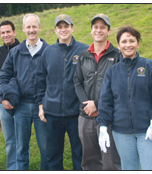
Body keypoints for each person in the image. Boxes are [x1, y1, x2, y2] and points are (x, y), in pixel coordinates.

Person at [97, 26, 152, 170]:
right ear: (118, 45)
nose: (128, 45)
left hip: (149, 130)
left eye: (132, 41)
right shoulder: (112, 72)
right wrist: (103, 127)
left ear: (138, 43)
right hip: (122, 133)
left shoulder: (150, 66)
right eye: (124, 41)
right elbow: (106, 102)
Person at [35, 14, 89, 170]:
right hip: (52, 114)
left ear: (72, 28)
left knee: (80, 155)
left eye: (66, 26)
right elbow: (40, 81)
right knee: (52, 155)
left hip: (77, 114)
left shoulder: (84, 50)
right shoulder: (48, 52)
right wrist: (40, 106)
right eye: (60, 27)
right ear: (55, 30)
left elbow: (90, 80)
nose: (63, 30)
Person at [0, 14, 49, 170]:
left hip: (43, 108)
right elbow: (4, 76)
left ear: (39, 28)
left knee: (46, 149)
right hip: (21, 107)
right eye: (28, 27)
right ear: (23, 29)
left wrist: (46, 103)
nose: (31, 30)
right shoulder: (15, 52)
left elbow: (54, 80)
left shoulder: (49, 51)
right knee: (21, 149)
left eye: (34, 26)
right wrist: (2, 97)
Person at [73, 13, 121, 170]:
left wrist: (97, 105)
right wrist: (87, 104)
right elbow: (77, 81)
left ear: (108, 31)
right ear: (91, 30)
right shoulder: (83, 55)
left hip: (108, 117)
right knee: (89, 161)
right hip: (85, 116)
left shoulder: (117, 55)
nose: (98, 30)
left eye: (102, 27)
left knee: (111, 161)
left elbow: (119, 87)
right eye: (96, 27)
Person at [0, 20, 20, 170]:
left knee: (21, 140)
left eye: (8, 31)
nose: (6, 35)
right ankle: (12, 169)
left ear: (14, 32)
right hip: (3, 103)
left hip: (21, 103)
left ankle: (22, 168)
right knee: (9, 140)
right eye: (3, 32)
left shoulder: (23, 49)